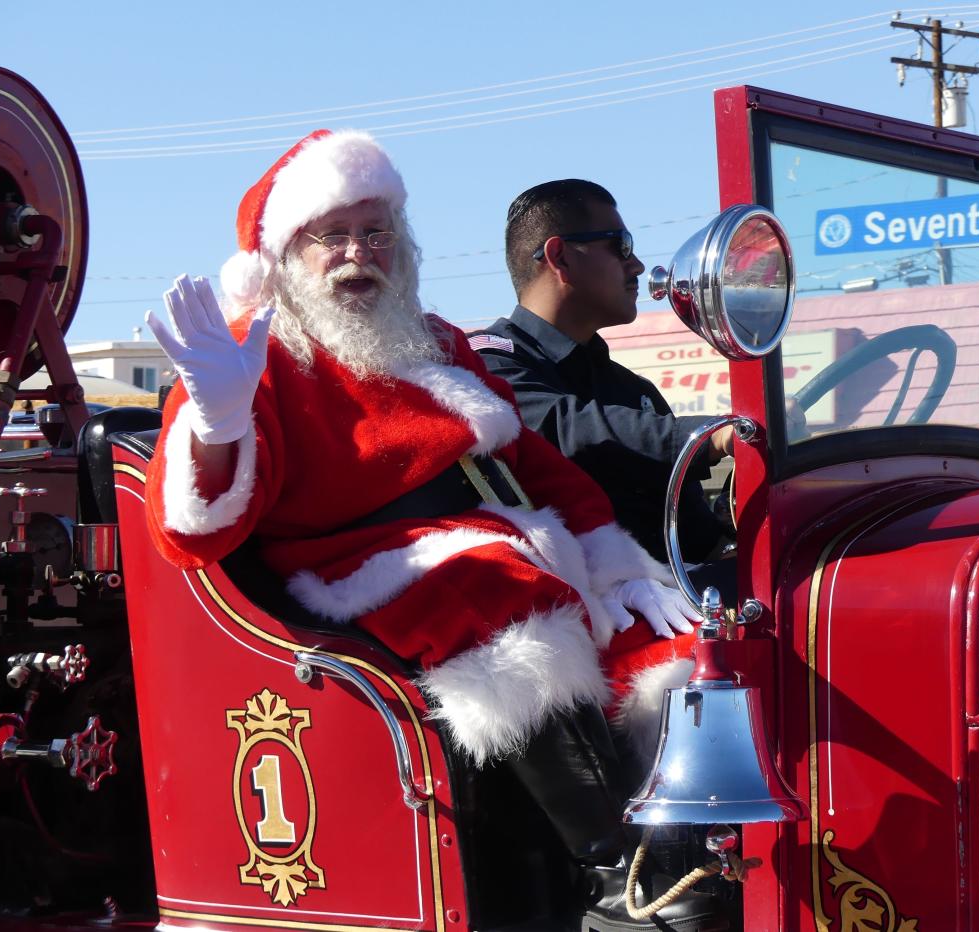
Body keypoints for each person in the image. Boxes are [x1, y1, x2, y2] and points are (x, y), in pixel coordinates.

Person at [142, 130, 712, 927]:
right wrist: (216, 417)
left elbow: (535, 466)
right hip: (368, 564)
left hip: (508, 539)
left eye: (375, 231)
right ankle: (619, 871)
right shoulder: (249, 358)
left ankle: (696, 851)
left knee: (678, 642)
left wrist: (614, 561)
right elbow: (190, 532)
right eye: (331, 235)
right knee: (502, 602)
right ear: (282, 256)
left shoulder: (435, 340)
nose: (356, 253)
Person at [471, 180, 734, 584]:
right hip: (565, 625)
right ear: (559, 256)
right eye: (621, 245)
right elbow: (563, 430)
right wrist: (711, 435)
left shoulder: (634, 392)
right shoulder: (486, 366)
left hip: (665, 614)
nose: (638, 266)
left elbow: (698, 542)